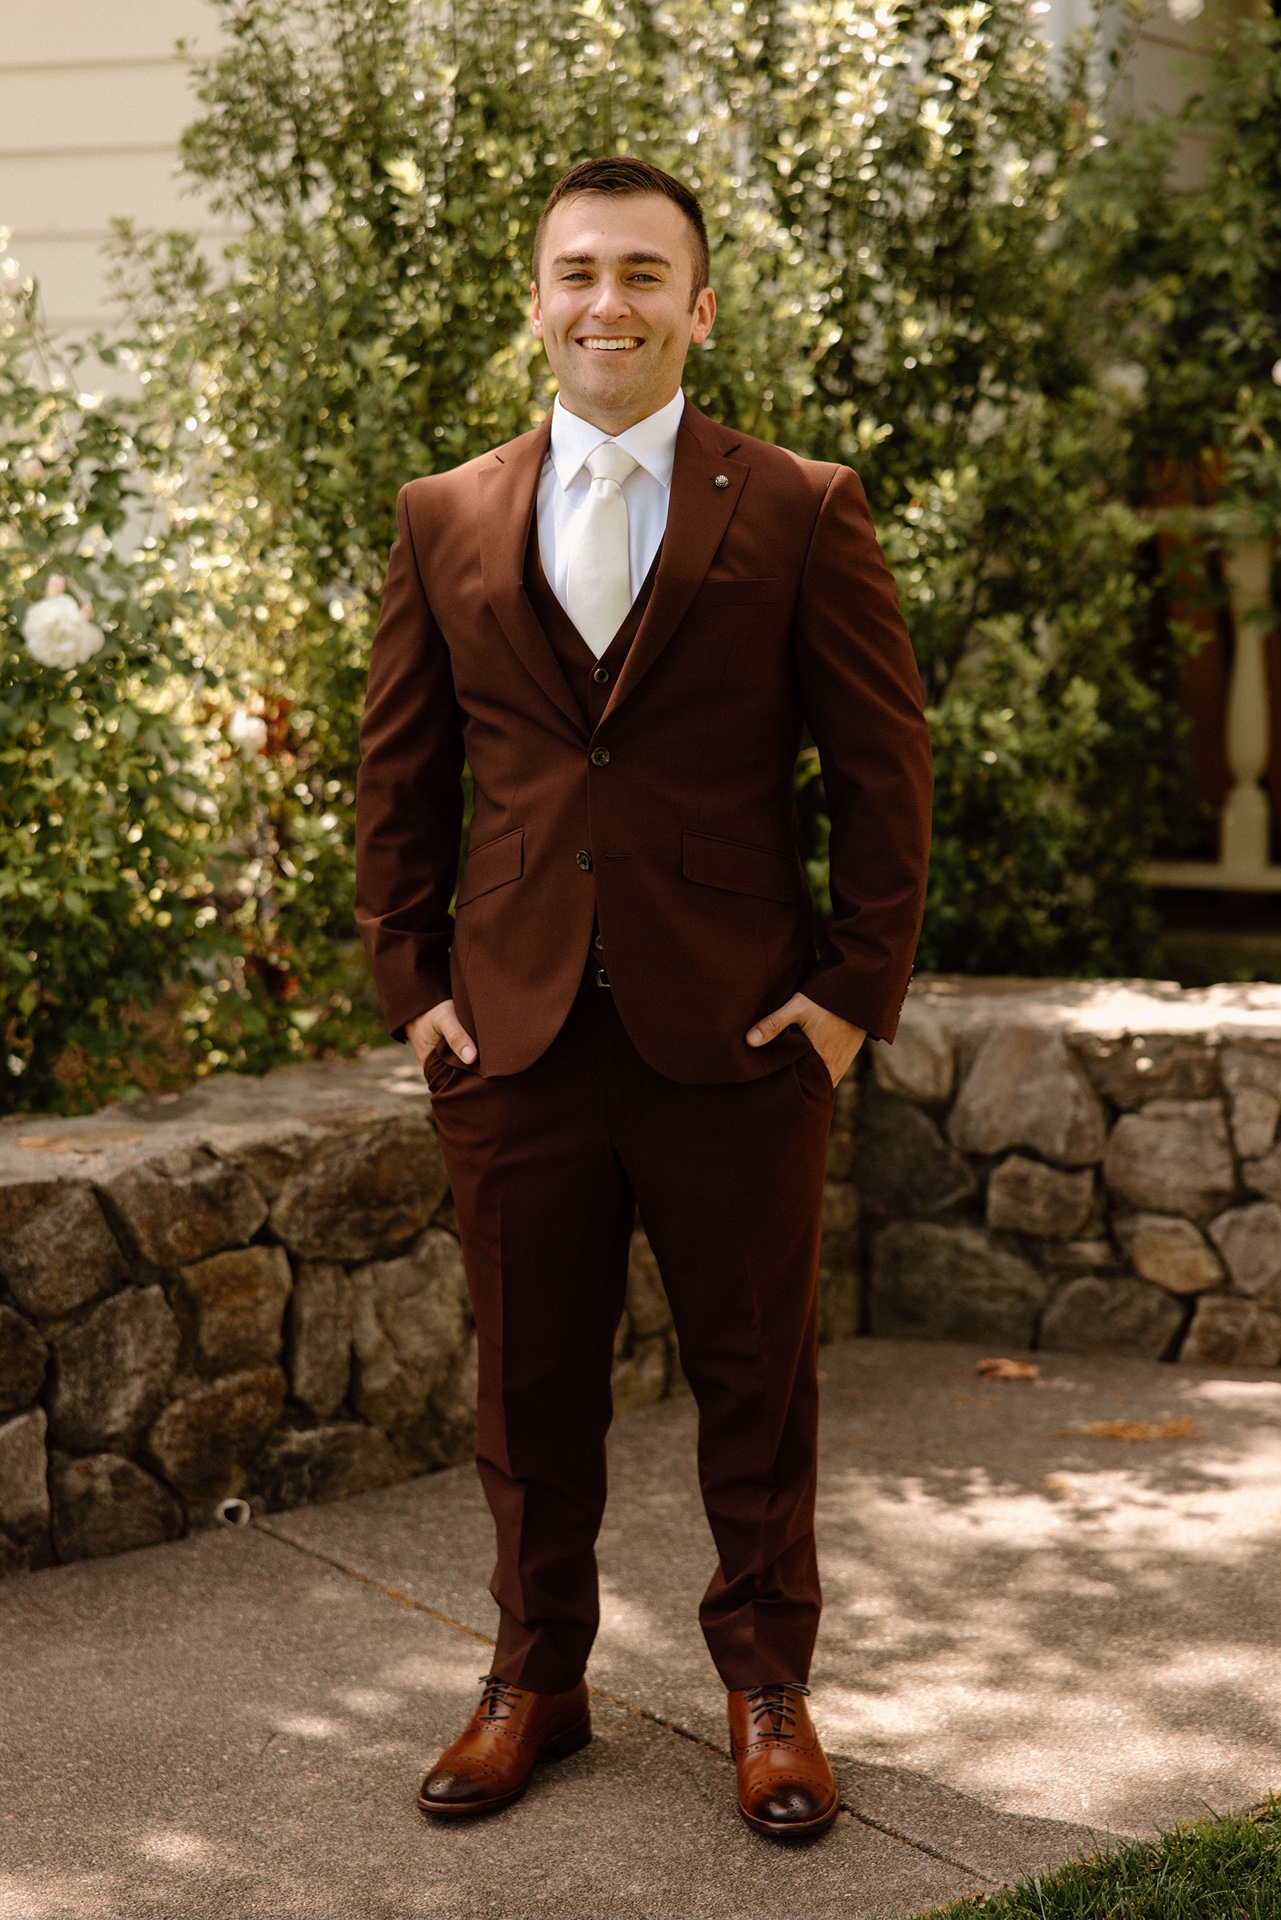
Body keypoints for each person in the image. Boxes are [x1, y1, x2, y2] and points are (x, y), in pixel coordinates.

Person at [355, 155, 932, 1841]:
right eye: (578, 272)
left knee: (757, 1385)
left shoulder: (801, 506)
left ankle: (766, 1686)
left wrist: (846, 997)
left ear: (698, 306)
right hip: (511, 1032)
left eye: (642, 274)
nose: (606, 302)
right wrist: (412, 985)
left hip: (737, 1031)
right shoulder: (443, 513)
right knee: (527, 1392)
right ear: (535, 301)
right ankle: (533, 1679)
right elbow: (400, 775)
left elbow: (882, 769)